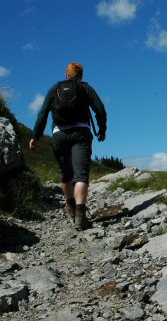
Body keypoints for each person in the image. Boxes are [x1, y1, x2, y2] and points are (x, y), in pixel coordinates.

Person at [29, 62, 107, 230]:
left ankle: (70, 208)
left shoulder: (55, 88)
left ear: (67, 74)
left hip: (59, 135)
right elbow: (100, 109)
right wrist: (102, 129)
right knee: (81, 175)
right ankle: (81, 217)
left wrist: (35, 137)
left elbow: (42, 113)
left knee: (65, 174)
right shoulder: (85, 88)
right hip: (81, 133)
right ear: (81, 75)